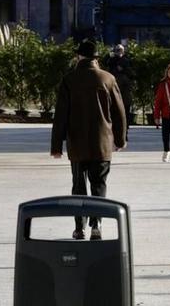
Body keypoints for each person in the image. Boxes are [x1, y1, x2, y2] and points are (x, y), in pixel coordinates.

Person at [51, 37, 128, 239]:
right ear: (96, 58)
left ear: (79, 56)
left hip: (77, 143)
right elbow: (120, 113)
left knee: (78, 185)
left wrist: (56, 145)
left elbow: (61, 115)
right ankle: (97, 225)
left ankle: (79, 227)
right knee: (99, 184)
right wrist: (120, 140)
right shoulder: (108, 79)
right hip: (102, 142)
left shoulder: (69, 80)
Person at [105, 42, 135, 126]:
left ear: (124, 51)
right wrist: (109, 54)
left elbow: (132, 74)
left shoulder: (127, 60)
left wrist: (123, 69)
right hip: (114, 87)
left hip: (125, 89)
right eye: (117, 50)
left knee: (126, 107)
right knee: (113, 108)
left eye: (121, 50)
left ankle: (126, 126)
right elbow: (106, 65)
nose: (119, 52)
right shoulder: (111, 60)